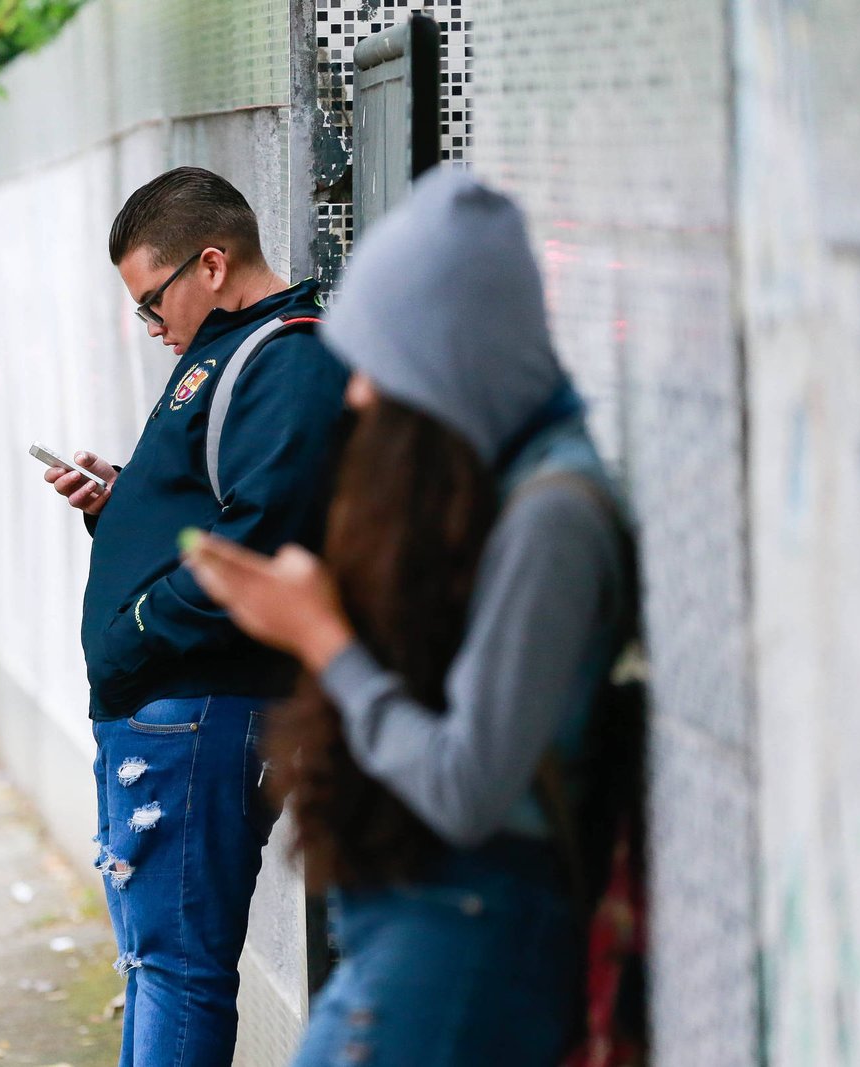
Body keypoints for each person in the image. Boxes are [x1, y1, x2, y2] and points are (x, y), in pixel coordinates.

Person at [183, 170, 633, 1065]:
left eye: (379, 371)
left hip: (464, 939)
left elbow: (467, 785)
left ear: (446, 365)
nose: (357, 398)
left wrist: (321, 634)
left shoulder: (553, 514)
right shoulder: (502, 482)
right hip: (417, 928)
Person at [40, 167, 350, 1065]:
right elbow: (213, 509)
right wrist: (124, 506)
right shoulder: (235, 348)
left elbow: (257, 541)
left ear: (210, 264)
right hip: (171, 707)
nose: (150, 326)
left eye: (152, 301)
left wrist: (137, 628)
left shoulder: (284, 354)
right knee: (157, 961)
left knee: (178, 966)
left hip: (202, 706)